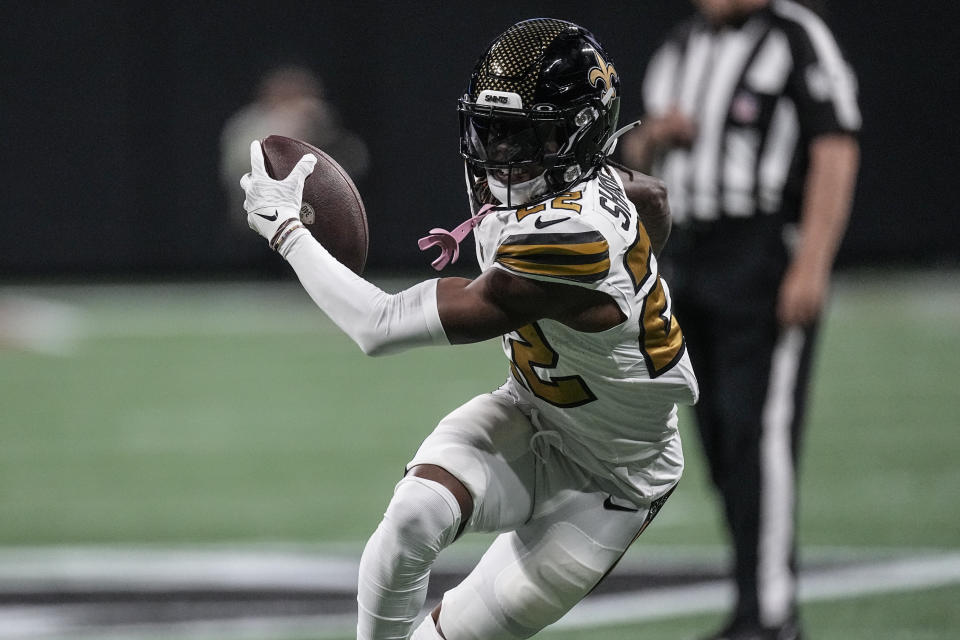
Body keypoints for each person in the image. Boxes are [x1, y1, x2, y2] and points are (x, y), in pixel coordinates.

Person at [239, 18, 698, 640]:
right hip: (534, 411)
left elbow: (379, 325)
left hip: (613, 478)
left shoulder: (572, 237)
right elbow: (655, 198)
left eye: (521, 135)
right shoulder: (590, 183)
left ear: (576, 136)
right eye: (491, 128)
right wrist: (637, 286)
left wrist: (287, 230)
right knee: (411, 518)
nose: (498, 153)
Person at [620, 1, 860, 638]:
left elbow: (835, 146)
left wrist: (811, 263)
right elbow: (635, 156)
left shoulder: (795, 36)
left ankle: (772, 617)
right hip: (689, 258)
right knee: (721, 439)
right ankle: (753, 604)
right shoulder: (678, 47)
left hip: (760, 254)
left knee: (761, 435)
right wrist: (655, 137)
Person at [220, 64, 369, 222]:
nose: (295, 103)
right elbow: (239, 171)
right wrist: (286, 128)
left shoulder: (321, 124)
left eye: (300, 94)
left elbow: (353, 167)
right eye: (286, 94)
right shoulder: (247, 124)